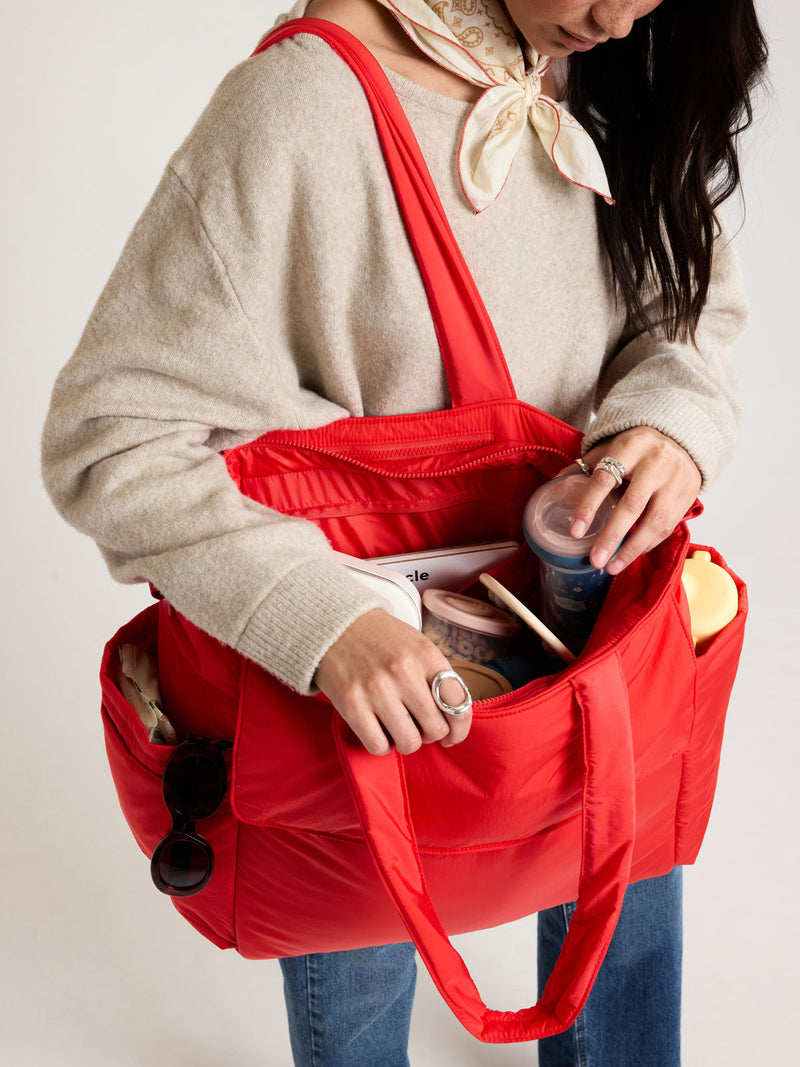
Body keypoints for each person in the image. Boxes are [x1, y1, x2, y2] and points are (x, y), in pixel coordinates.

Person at [41, 0, 767, 1063]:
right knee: (360, 948)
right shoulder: (299, 109)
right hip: (369, 674)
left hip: (598, 617)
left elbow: (689, 313)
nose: (617, 15)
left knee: (621, 885)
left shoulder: (623, 62)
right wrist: (320, 622)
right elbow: (109, 439)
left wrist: (671, 418)